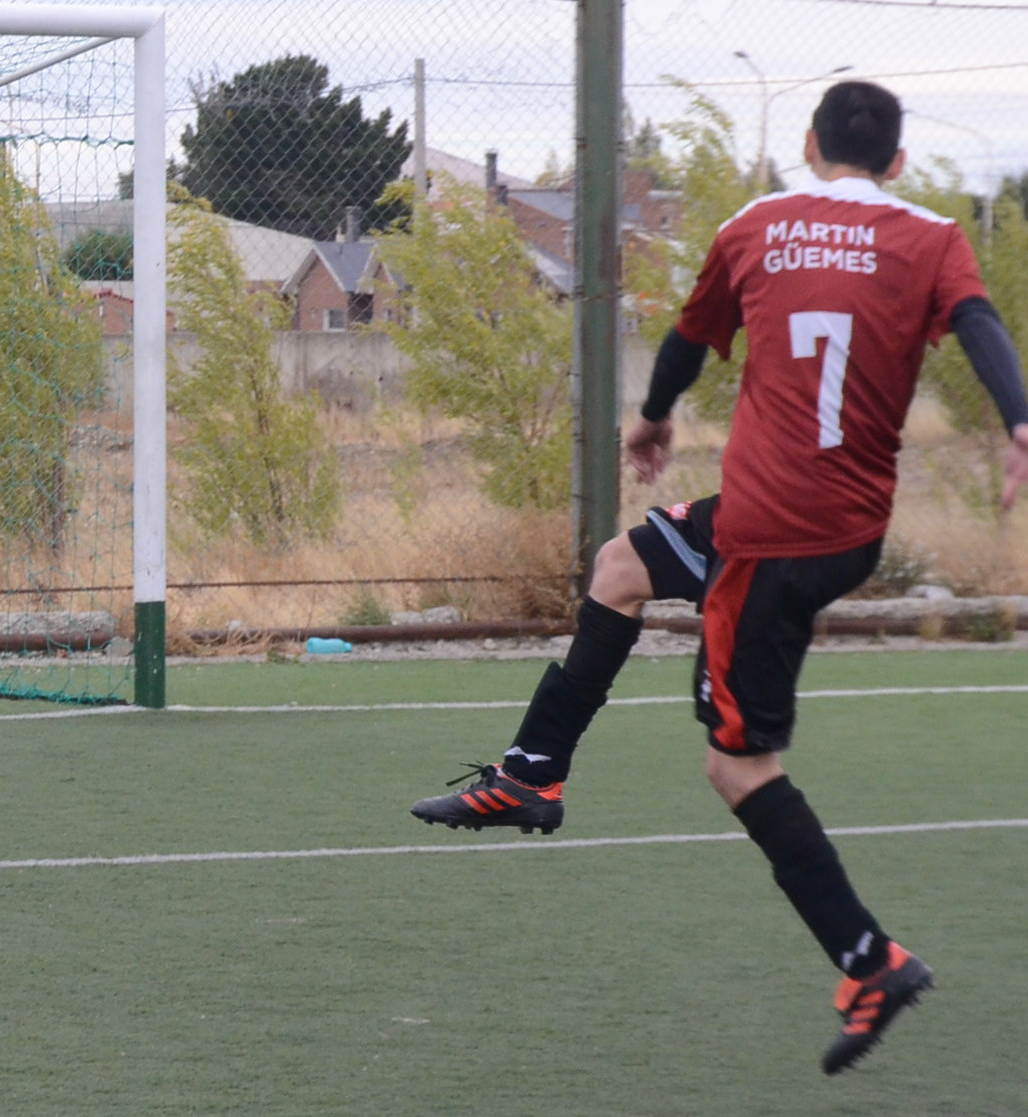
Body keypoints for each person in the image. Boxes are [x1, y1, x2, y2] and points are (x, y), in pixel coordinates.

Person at [412, 81, 1028, 1074]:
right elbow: (980, 326)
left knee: (735, 763)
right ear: (897, 164)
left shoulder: (754, 225)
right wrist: (1017, 420)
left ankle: (868, 959)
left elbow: (691, 337)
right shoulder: (929, 236)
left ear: (804, 144)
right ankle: (528, 776)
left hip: (773, 540)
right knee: (621, 566)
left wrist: (653, 416)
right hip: (826, 525)